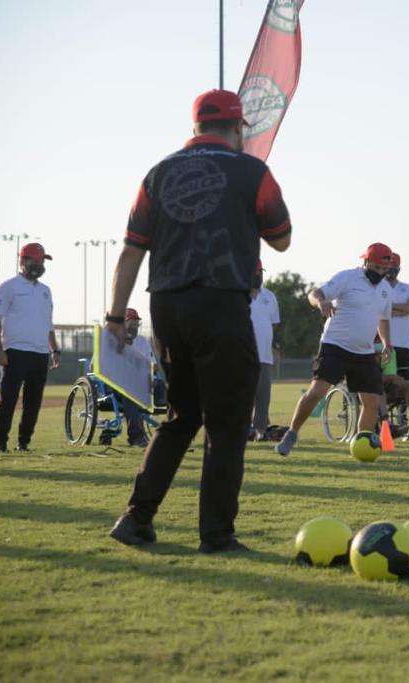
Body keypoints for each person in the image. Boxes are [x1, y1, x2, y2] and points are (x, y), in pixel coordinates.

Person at [106, 89, 292, 553]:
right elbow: (282, 238)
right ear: (237, 128)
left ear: (195, 127)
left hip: (165, 305)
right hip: (220, 303)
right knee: (228, 424)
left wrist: (114, 314)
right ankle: (216, 534)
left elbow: (132, 249)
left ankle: (136, 519)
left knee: (180, 416)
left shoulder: (158, 172)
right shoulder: (253, 171)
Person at [275, 243, 395, 456]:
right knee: (316, 392)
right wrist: (321, 303)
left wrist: (387, 343)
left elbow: (383, 320)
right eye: (376, 267)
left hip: (364, 352)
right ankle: (291, 433)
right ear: (365, 262)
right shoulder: (347, 278)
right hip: (335, 346)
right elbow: (314, 293)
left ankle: (361, 445)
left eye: (384, 269)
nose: (380, 273)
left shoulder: (386, 290)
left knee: (372, 402)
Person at [0, 242, 61, 453]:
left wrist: (54, 350)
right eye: (34, 260)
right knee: (9, 399)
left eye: (41, 261)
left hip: (40, 354)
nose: (39, 264)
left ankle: (23, 443)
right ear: (22, 261)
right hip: (14, 352)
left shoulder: (45, 291)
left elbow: (48, 324)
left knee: (33, 403)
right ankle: (1, 443)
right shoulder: (9, 286)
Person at [119, 308, 164, 448]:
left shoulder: (142, 342)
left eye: (136, 323)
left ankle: (162, 401)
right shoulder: (112, 341)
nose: (135, 326)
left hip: (142, 382)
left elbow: (153, 366)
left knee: (162, 384)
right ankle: (136, 437)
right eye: (131, 323)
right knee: (131, 395)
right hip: (119, 384)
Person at [250, 260, 281, 440]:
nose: (258, 275)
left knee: (263, 397)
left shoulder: (270, 296)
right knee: (242, 396)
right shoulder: (236, 296)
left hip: (264, 356)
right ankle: (241, 430)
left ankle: (261, 432)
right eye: (254, 272)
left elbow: (272, 325)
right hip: (241, 355)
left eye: (260, 272)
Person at [386, 253, 409, 380]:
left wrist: (391, 307)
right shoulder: (378, 287)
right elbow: (378, 310)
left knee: (404, 381)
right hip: (383, 344)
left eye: (394, 266)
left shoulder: (406, 288)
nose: (390, 269)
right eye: (388, 265)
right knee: (384, 382)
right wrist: (404, 309)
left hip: (403, 344)